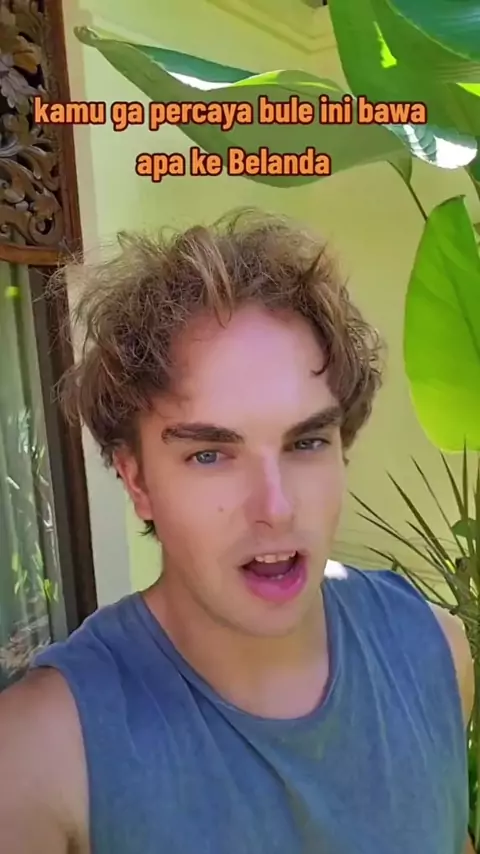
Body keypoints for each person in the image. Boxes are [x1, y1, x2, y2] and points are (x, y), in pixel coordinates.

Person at [0, 209, 474, 854]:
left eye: (306, 442)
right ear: (137, 481)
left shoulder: (434, 652)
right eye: (210, 455)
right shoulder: (41, 757)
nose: (275, 508)